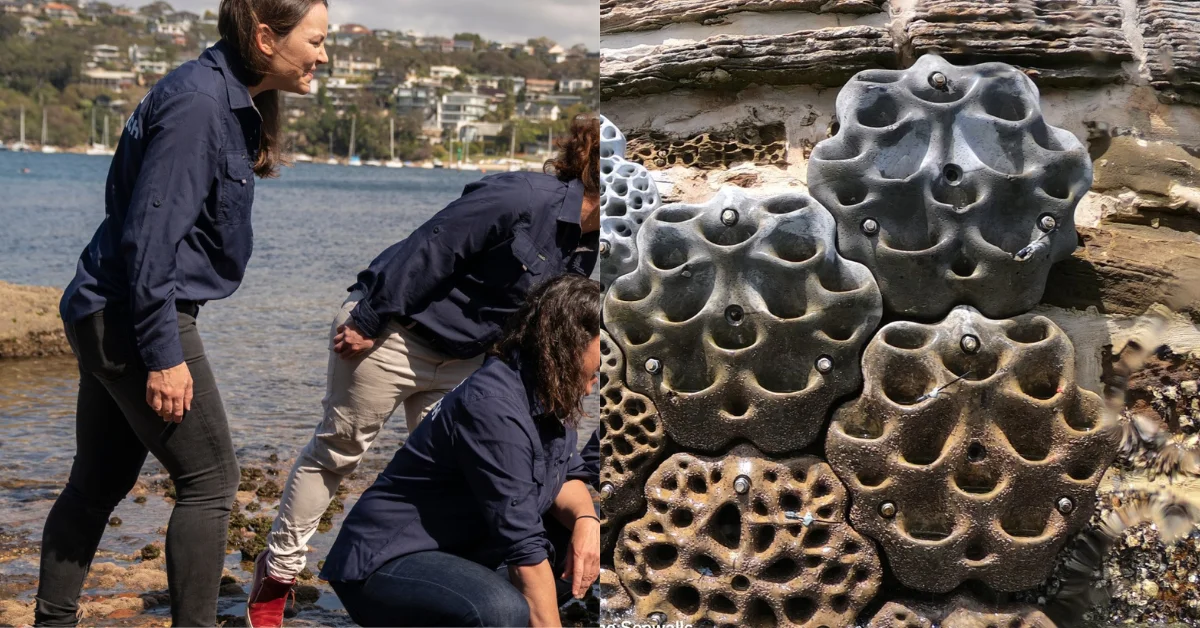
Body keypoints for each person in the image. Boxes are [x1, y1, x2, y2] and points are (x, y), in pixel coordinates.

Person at [36, 0, 329, 625]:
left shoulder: (226, 99)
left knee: (96, 485)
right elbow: (150, 240)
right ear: (265, 36)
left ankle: (50, 622)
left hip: (109, 309)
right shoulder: (199, 105)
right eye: (316, 39)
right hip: (137, 314)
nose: (324, 55)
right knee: (212, 481)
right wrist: (165, 355)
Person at [247, 116, 601, 625]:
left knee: (462, 478)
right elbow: (433, 244)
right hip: (396, 332)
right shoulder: (521, 196)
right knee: (338, 452)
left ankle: (440, 588)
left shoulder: (585, 248)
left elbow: (547, 327)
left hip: (466, 359)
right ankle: (276, 577)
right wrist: (371, 316)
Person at [321, 274, 603, 627]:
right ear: (569, 344)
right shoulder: (494, 407)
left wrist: (586, 520)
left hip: (457, 550)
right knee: (502, 610)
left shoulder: (544, 387)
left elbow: (563, 477)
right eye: (600, 355)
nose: (596, 383)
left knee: (574, 548)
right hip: (385, 562)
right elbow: (523, 548)